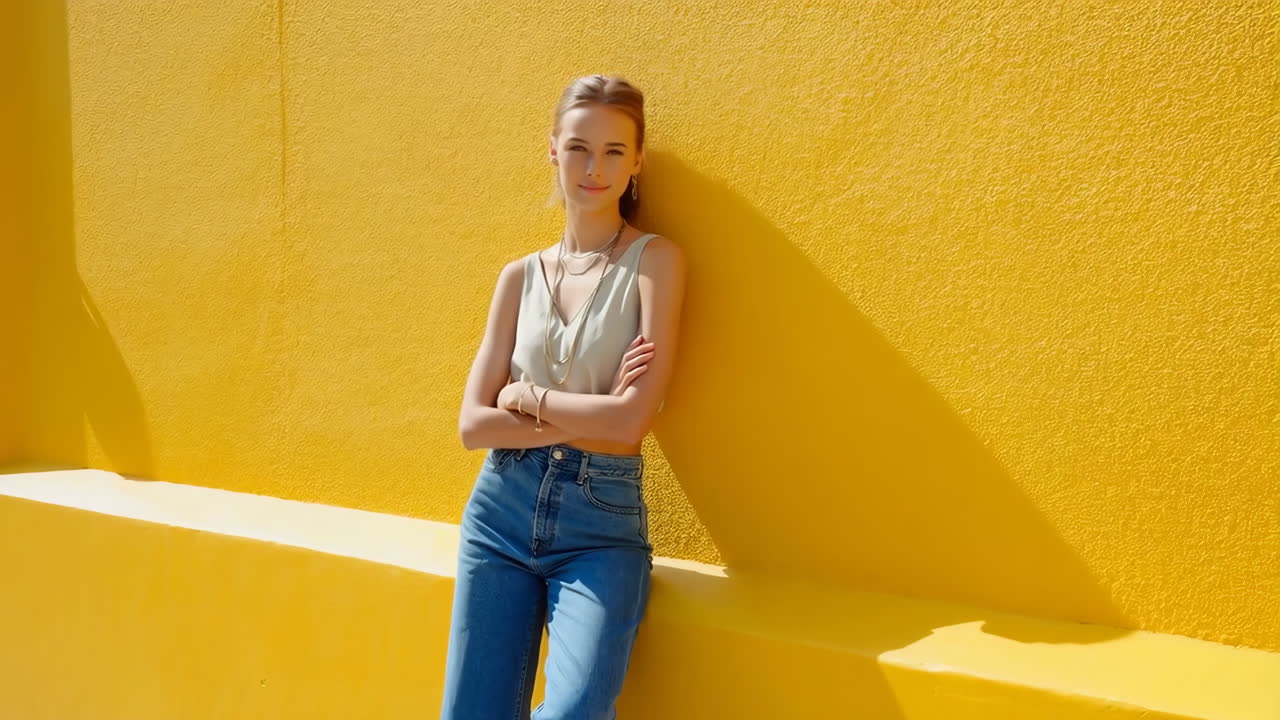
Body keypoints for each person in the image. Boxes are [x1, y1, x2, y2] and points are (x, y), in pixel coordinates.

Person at [441, 74, 687, 719]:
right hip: (499, 511)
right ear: (553, 149)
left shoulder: (656, 262)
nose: (594, 168)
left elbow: (632, 421)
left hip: (600, 523)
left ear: (637, 161)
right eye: (579, 147)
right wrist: (591, 413)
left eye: (613, 151)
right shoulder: (518, 277)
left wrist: (525, 395)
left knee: (575, 709)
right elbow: (473, 427)